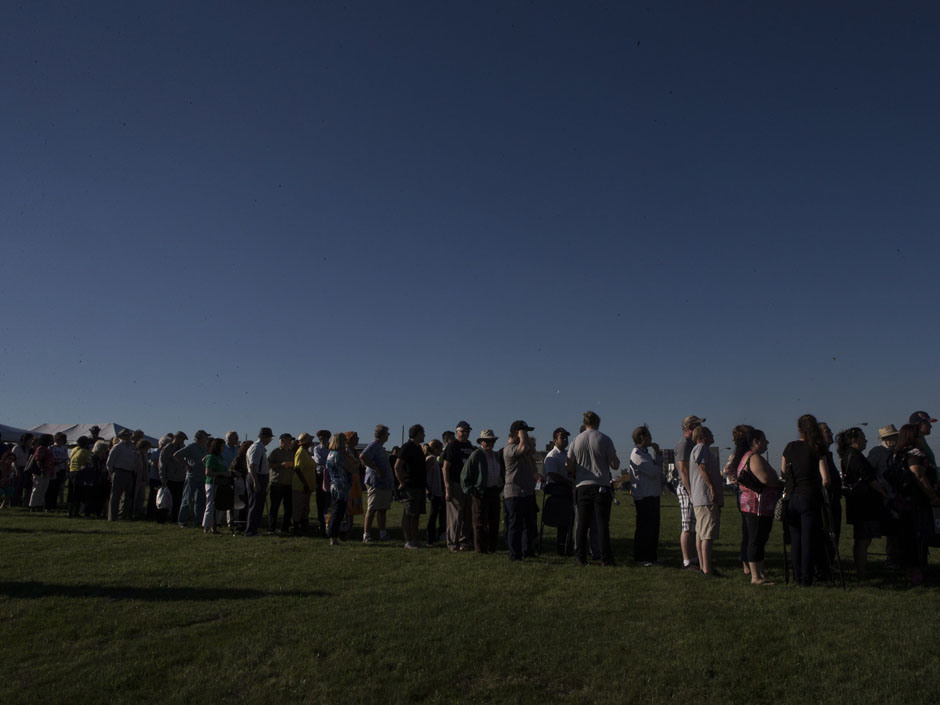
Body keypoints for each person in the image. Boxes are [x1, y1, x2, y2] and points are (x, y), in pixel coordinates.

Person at [781, 414, 830, 587]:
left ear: (799, 429)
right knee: (808, 538)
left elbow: (783, 470)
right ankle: (807, 577)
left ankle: (797, 575)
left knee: (795, 539)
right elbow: (826, 478)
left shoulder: (790, 447)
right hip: (809, 496)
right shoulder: (817, 448)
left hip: (792, 496)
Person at [568, 411, 620, 566]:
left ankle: (581, 557)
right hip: (601, 485)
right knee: (602, 524)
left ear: (585, 423)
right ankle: (605, 558)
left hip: (582, 486)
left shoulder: (576, 440)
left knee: (582, 524)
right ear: (598, 423)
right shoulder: (605, 439)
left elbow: (569, 464)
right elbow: (615, 464)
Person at [836, 427, 888, 580]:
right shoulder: (856, 456)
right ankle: (861, 572)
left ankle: (861, 570)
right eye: (863, 438)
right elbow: (869, 478)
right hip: (864, 503)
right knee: (863, 540)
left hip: (857, 502)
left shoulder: (847, 456)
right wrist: (883, 493)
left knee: (861, 539)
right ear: (855, 440)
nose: (866, 441)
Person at [891, 423, 940, 585]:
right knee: (919, 539)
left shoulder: (898, 454)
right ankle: (917, 573)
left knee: (909, 539)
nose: (922, 439)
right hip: (917, 503)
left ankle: (912, 571)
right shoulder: (915, 453)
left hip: (903, 503)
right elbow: (919, 476)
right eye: (920, 436)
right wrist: (933, 496)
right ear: (912, 438)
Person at [732, 429, 782, 585]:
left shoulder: (747, 457)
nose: (767, 443)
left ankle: (759, 573)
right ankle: (756, 576)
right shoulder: (753, 458)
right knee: (756, 539)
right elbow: (765, 478)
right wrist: (780, 483)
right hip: (756, 506)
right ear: (756, 441)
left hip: (756, 505)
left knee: (758, 539)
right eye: (764, 440)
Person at [461, 429, 504, 554]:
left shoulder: (495, 455)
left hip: (494, 491)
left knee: (494, 520)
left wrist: (500, 486)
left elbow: (500, 473)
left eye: (492, 441)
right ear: (482, 442)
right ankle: (480, 548)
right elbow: (465, 475)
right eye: (487, 441)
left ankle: (492, 547)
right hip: (481, 492)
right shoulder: (477, 455)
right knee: (480, 522)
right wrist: (473, 490)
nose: (490, 443)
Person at [690, 426, 722, 576]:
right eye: (710, 433)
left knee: (701, 534)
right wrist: (711, 487)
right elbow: (702, 467)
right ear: (703, 436)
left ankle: (704, 567)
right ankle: (707, 568)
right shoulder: (701, 448)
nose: (712, 435)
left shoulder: (700, 449)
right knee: (707, 533)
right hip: (705, 497)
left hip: (700, 498)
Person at [628, 426, 663, 565]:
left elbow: (657, 469)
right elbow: (654, 472)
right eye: (649, 435)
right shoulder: (637, 454)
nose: (651, 438)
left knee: (653, 528)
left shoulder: (645, 453)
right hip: (644, 497)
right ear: (642, 437)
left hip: (652, 494)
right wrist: (657, 467)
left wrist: (658, 453)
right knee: (644, 528)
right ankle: (641, 557)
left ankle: (651, 555)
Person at [674, 415, 705, 570]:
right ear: (690, 428)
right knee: (687, 525)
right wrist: (690, 492)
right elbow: (683, 470)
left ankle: (693, 558)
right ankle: (687, 560)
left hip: (691, 487)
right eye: (697, 426)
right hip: (687, 488)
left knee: (692, 526)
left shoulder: (690, 444)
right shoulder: (684, 444)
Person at [724, 424, 754, 577]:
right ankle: (747, 561)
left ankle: (747, 562)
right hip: (746, 494)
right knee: (749, 528)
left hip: (741, 493)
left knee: (747, 528)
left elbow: (728, 470)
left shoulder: (737, 455)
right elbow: (727, 470)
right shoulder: (743, 455)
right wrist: (736, 480)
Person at [442, 421, 475, 552]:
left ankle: (464, 541)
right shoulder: (452, 446)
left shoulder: (469, 446)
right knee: (455, 515)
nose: (465, 434)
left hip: (468, 485)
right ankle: (452, 543)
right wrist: (447, 486)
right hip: (455, 484)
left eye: (467, 431)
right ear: (457, 432)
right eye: (463, 431)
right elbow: (445, 468)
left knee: (467, 514)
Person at [395, 424, 428, 549]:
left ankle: (415, 539)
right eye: (422, 433)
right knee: (409, 514)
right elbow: (397, 466)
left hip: (419, 486)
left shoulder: (418, 448)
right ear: (417, 433)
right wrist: (402, 482)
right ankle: (408, 541)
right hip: (410, 487)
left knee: (416, 514)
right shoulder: (407, 447)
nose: (424, 435)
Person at [360, 425, 395, 542]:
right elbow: (363, 456)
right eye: (387, 434)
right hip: (375, 482)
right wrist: (376, 468)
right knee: (372, 508)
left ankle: (382, 533)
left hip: (383, 483)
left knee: (382, 509)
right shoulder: (374, 445)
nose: (388, 436)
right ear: (382, 435)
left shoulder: (380, 447)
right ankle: (366, 534)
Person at [542, 427, 573, 555]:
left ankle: (567, 545)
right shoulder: (552, 456)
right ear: (555, 440)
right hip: (558, 490)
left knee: (568, 522)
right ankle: (562, 548)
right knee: (562, 521)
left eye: (566, 437)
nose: (565, 439)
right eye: (562, 437)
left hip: (567, 490)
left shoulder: (567, 454)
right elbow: (552, 475)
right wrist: (568, 482)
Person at [175, 430, 211, 528]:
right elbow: (177, 455)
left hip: (202, 477)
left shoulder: (206, 448)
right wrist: (186, 465)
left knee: (200, 500)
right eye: (205, 437)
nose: (207, 439)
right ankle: (182, 521)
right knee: (187, 499)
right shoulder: (192, 447)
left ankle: (198, 520)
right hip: (192, 477)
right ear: (200, 438)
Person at [106, 429, 142, 521]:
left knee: (127, 496)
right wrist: (111, 473)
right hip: (119, 471)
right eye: (125, 435)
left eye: (128, 435)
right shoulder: (117, 447)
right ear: (121, 437)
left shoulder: (132, 447)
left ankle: (123, 515)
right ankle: (112, 517)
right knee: (115, 496)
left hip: (129, 472)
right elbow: (110, 462)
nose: (127, 437)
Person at [245, 427, 274, 537]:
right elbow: (253, 466)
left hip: (260, 477)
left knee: (258, 505)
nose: (270, 440)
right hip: (257, 477)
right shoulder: (256, 448)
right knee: (255, 505)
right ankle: (250, 531)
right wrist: (255, 482)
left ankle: (254, 529)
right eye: (270, 438)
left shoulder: (260, 447)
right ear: (265, 437)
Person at [326, 433, 352, 546]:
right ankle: (333, 536)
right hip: (341, 486)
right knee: (338, 512)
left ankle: (335, 534)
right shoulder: (340, 456)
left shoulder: (330, 454)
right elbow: (351, 468)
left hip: (333, 484)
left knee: (337, 510)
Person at [202, 437, 231, 534]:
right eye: (222, 446)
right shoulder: (211, 456)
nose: (223, 448)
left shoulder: (219, 457)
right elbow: (208, 472)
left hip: (220, 483)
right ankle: (206, 526)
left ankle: (214, 526)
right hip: (211, 483)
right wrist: (222, 473)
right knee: (210, 505)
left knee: (217, 506)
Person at [267, 433, 295, 534]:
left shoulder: (292, 453)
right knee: (274, 507)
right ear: (282, 441)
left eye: (290, 441)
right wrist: (281, 464)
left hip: (288, 483)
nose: (290, 442)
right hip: (277, 483)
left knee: (288, 507)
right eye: (288, 440)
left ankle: (285, 528)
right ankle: (272, 528)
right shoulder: (275, 452)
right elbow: (269, 464)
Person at [157, 432, 187, 524]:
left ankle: (175, 518)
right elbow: (162, 464)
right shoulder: (167, 449)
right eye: (181, 439)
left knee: (178, 500)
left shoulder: (182, 448)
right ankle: (162, 519)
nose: (182, 441)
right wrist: (163, 477)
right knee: (166, 499)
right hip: (169, 478)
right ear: (176, 438)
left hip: (180, 478)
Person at [293, 433, 318, 535]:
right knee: (298, 507)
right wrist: (305, 484)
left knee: (304, 507)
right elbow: (297, 468)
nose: (311, 442)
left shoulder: (306, 452)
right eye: (310, 441)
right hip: (300, 486)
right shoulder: (300, 452)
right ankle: (296, 527)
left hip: (306, 486)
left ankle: (304, 526)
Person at [424, 439, 446, 545]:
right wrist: (427, 489)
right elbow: (424, 474)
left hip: (437, 491)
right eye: (440, 449)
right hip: (433, 491)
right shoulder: (431, 459)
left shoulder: (434, 459)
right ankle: (430, 538)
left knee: (436, 514)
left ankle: (434, 537)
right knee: (433, 516)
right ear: (435, 449)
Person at [343, 431, 364, 538]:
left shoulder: (354, 451)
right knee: (347, 505)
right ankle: (345, 528)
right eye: (355, 438)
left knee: (352, 505)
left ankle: (350, 527)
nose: (357, 439)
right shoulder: (345, 451)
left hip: (355, 480)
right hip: (348, 481)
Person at [313, 429, 331, 535]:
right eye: (320, 439)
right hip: (320, 476)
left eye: (324, 438)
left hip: (329, 476)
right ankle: (321, 524)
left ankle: (328, 524)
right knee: (320, 502)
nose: (322, 440)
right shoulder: (317, 448)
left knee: (328, 503)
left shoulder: (331, 447)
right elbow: (319, 461)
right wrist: (327, 462)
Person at [47, 432, 70, 510]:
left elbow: (66, 459)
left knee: (60, 488)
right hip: (54, 470)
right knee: (52, 488)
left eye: (63, 440)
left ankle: (60, 503)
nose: (61, 441)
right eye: (59, 439)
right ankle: (50, 504)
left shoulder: (64, 448)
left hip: (62, 469)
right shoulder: (51, 448)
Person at [12, 433, 34, 507]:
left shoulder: (27, 449)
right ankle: (14, 503)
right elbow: (14, 460)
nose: (31, 441)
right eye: (30, 440)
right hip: (18, 467)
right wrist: (17, 470)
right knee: (17, 487)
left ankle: (20, 502)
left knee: (23, 487)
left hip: (25, 468)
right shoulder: (17, 448)